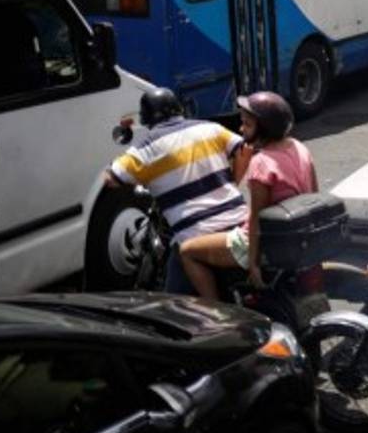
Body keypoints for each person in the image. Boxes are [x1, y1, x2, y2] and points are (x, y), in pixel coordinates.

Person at [105, 88, 250, 294]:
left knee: (175, 302)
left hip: (197, 234)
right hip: (239, 220)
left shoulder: (146, 149)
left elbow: (112, 179)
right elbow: (244, 150)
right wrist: (233, 181)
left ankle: (213, 317)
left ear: (147, 118)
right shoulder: (210, 128)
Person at [180, 91, 317, 299]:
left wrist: (253, 264)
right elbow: (314, 196)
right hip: (296, 235)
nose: (241, 129)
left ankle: (215, 312)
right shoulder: (300, 148)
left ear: (263, 128)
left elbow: (256, 219)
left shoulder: (261, 162)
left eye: (247, 124)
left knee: (187, 251)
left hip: (262, 242)